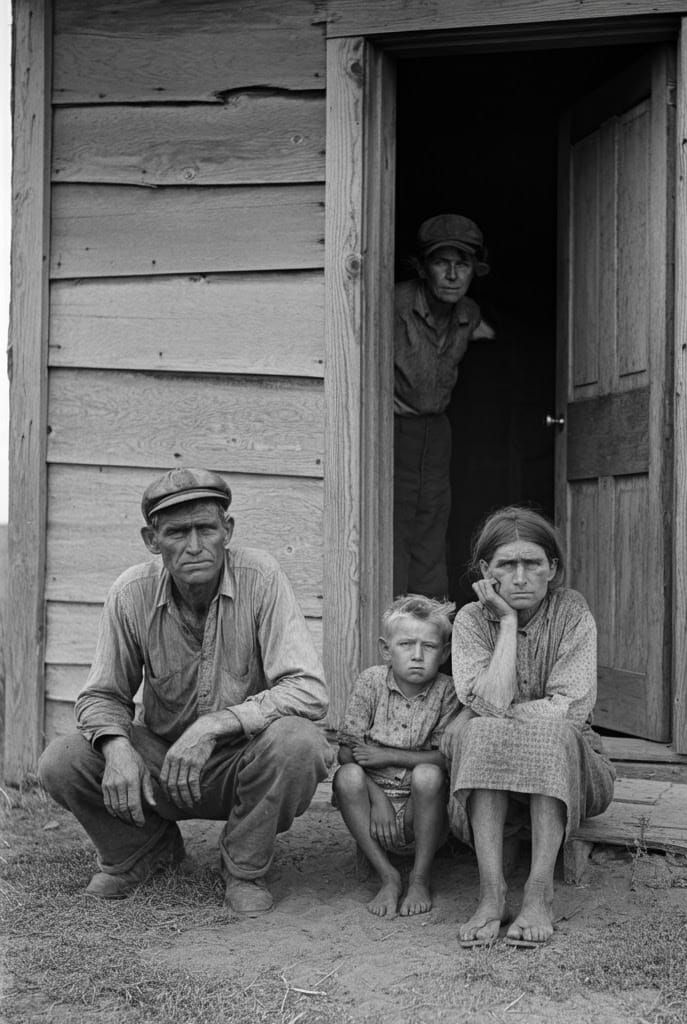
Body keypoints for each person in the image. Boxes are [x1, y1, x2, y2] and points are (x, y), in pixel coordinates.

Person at [37, 468, 334, 915]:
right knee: (63, 760)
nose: (194, 546)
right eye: (177, 533)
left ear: (227, 530)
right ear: (151, 540)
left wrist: (215, 725)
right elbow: (101, 696)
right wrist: (117, 748)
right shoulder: (131, 592)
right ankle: (144, 850)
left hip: (243, 760)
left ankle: (243, 866)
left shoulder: (261, 577)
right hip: (162, 762)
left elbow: (308, 689)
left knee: (300, 743)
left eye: (206, 529)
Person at [442, 506, 616, 948]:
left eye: (533, 563)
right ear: (486, 571)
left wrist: (485, 716)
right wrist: (506, 622)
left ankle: (539, 893)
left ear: (552, 568)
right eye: (506, 565)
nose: (520, 577)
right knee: (482, 732)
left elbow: (569, 709)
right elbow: (489, 701)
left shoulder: (572, 612)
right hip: (492, 776)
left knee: (535, 731)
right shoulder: (471, 620)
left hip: (573, 774)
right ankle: (492, 894)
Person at [333, 595, 461, 918]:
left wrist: (387, 755)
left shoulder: (447, 691)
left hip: (423, 808)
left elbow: (445, 759)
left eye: (429, 646)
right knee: (346, 777)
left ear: (445, 652)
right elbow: (347, 750)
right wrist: (378, 799)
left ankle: (420, 878)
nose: (417, 655)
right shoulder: (371, 682)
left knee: (429, 775)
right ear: (386, 649)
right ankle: (388, 875)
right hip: (372, 807)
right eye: (406, 644)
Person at [393, 213, 495, 599]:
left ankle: (433, 628)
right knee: (394, 528)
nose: (452, 275)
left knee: (432, 528)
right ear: (423, 268)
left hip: (436, 431)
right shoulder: (393, 304)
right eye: (441, 262)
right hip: (393, 428)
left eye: (462, 264)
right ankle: (393, 628)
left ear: (474, 270)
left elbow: (491, 333)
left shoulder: (468, 313)